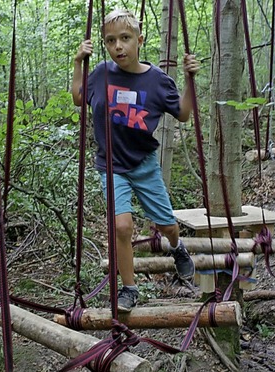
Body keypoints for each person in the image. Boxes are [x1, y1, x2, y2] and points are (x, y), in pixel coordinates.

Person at [71, 9, 198, 312]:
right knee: (122, 227)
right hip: (111, 165)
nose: (118, 47)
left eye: (125, 39)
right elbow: (78, 97)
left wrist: (190, 80)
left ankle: (177, 248)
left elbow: (182, 114)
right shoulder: (101, 72)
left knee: (166, 225)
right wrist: (78, 62)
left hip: (143, 165)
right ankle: (129, 288)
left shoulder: (157, 81)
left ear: (139, 40)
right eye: (111, 40)